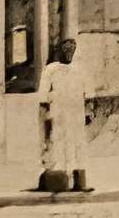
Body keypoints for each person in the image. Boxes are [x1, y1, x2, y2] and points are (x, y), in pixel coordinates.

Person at [39, 34, 93, 194]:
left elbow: (88, 91)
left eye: (72, 47)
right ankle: (60, 180)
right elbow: (43, 95)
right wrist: (45, 115)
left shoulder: (80, 68)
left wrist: (89, 111)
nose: (69, 51)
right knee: (59, 143)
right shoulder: (50, 69)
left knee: (79, 144)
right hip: (59, 114)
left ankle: (79, 181)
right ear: (59, 49)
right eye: (65, 47)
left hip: (76, 112)